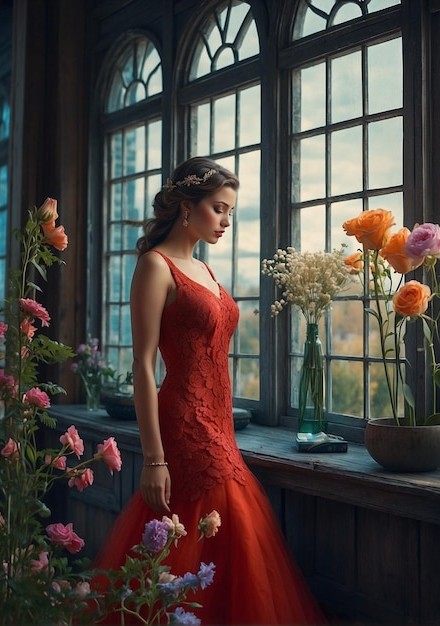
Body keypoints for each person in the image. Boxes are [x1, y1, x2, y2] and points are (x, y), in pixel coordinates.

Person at [92, 156, 326, 625]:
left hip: (221, 423)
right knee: (212, 522)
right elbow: (142, 364)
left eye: (230, 212)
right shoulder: (155, 267)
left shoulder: (205, 269)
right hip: (184, 423)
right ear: (186, 206)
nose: (226, 221)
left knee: (216, 529)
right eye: (218, 209)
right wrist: (154, 459)